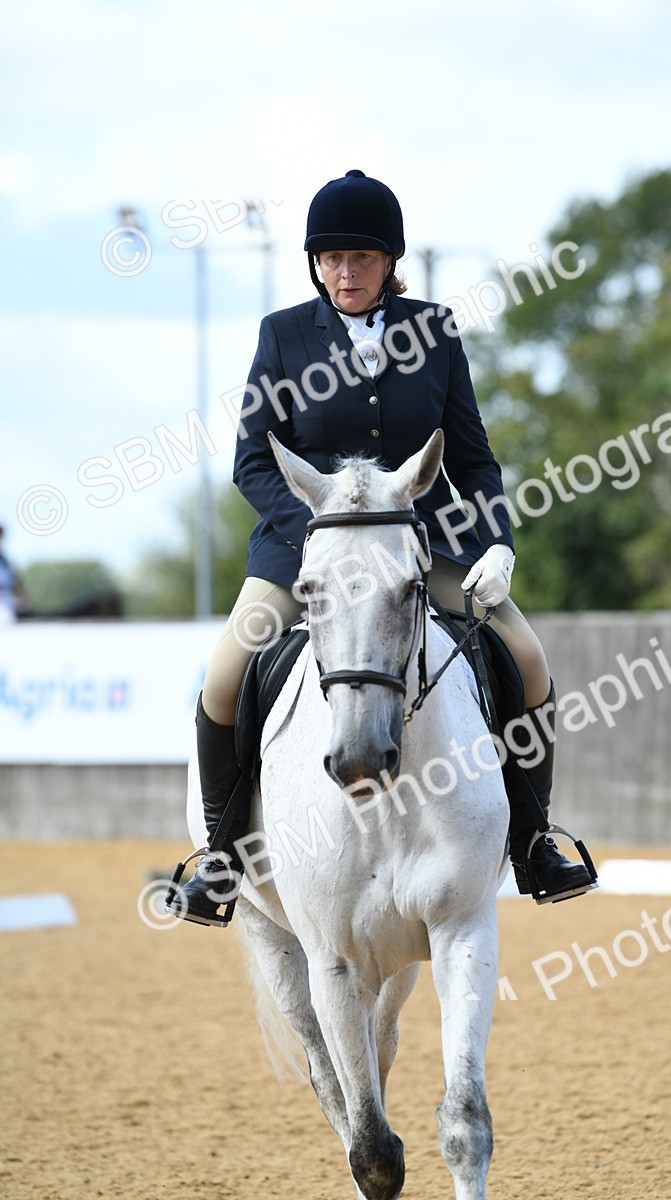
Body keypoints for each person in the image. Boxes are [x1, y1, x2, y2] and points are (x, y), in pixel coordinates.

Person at [169, 169, 594, 927]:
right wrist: (321, 534)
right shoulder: (283, 335)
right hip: (306, 549)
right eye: (331, 258)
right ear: (315, 263)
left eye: (361, 258)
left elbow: (473, 457)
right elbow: (253, 462)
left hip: (421, 544)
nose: (345, 272)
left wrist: (497, 543)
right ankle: (221, 856)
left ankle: (534, 842)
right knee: (224, 678)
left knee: (527, 659)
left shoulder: (434, 330)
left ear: (389, 261)